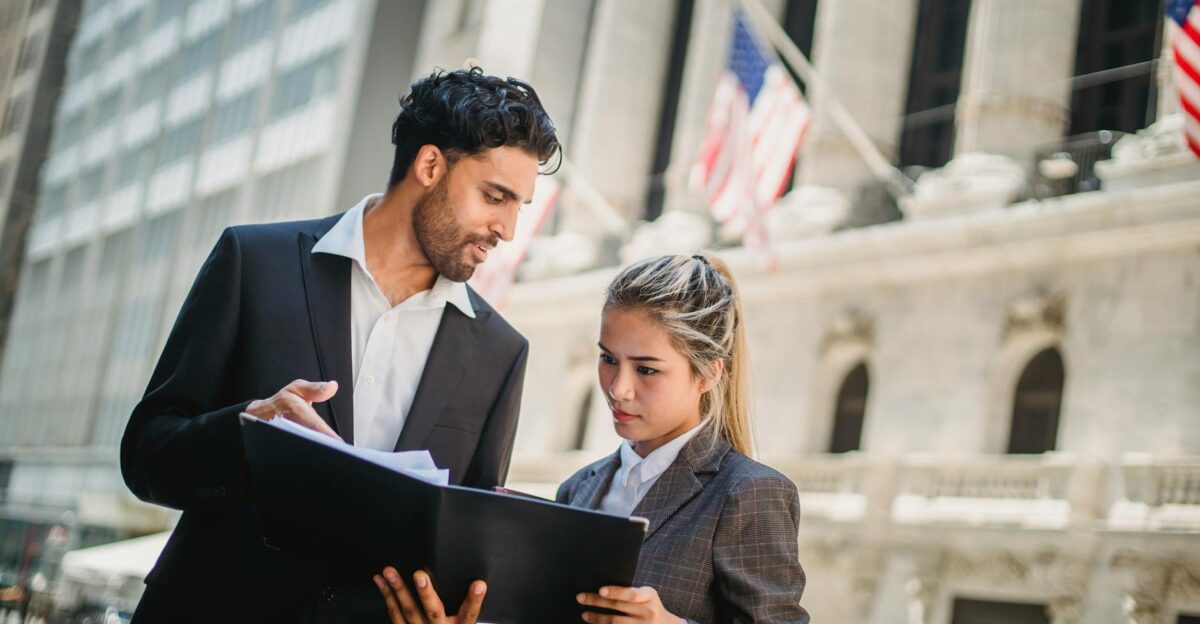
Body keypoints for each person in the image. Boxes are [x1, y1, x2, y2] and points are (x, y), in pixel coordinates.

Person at [119, 67, 560, 622]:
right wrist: (248, 431)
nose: (508, 228)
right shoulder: (254, 264)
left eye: (518, 205)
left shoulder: (501, 353)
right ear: (429, 166)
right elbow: (144, 455)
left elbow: (467, 541)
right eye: (496, 197)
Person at [376, 254, 809, 623]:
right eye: (607, 358)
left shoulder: (749, 492)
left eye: (646, 369)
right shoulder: (579, 487)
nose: (618, 388)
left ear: (708, 373)